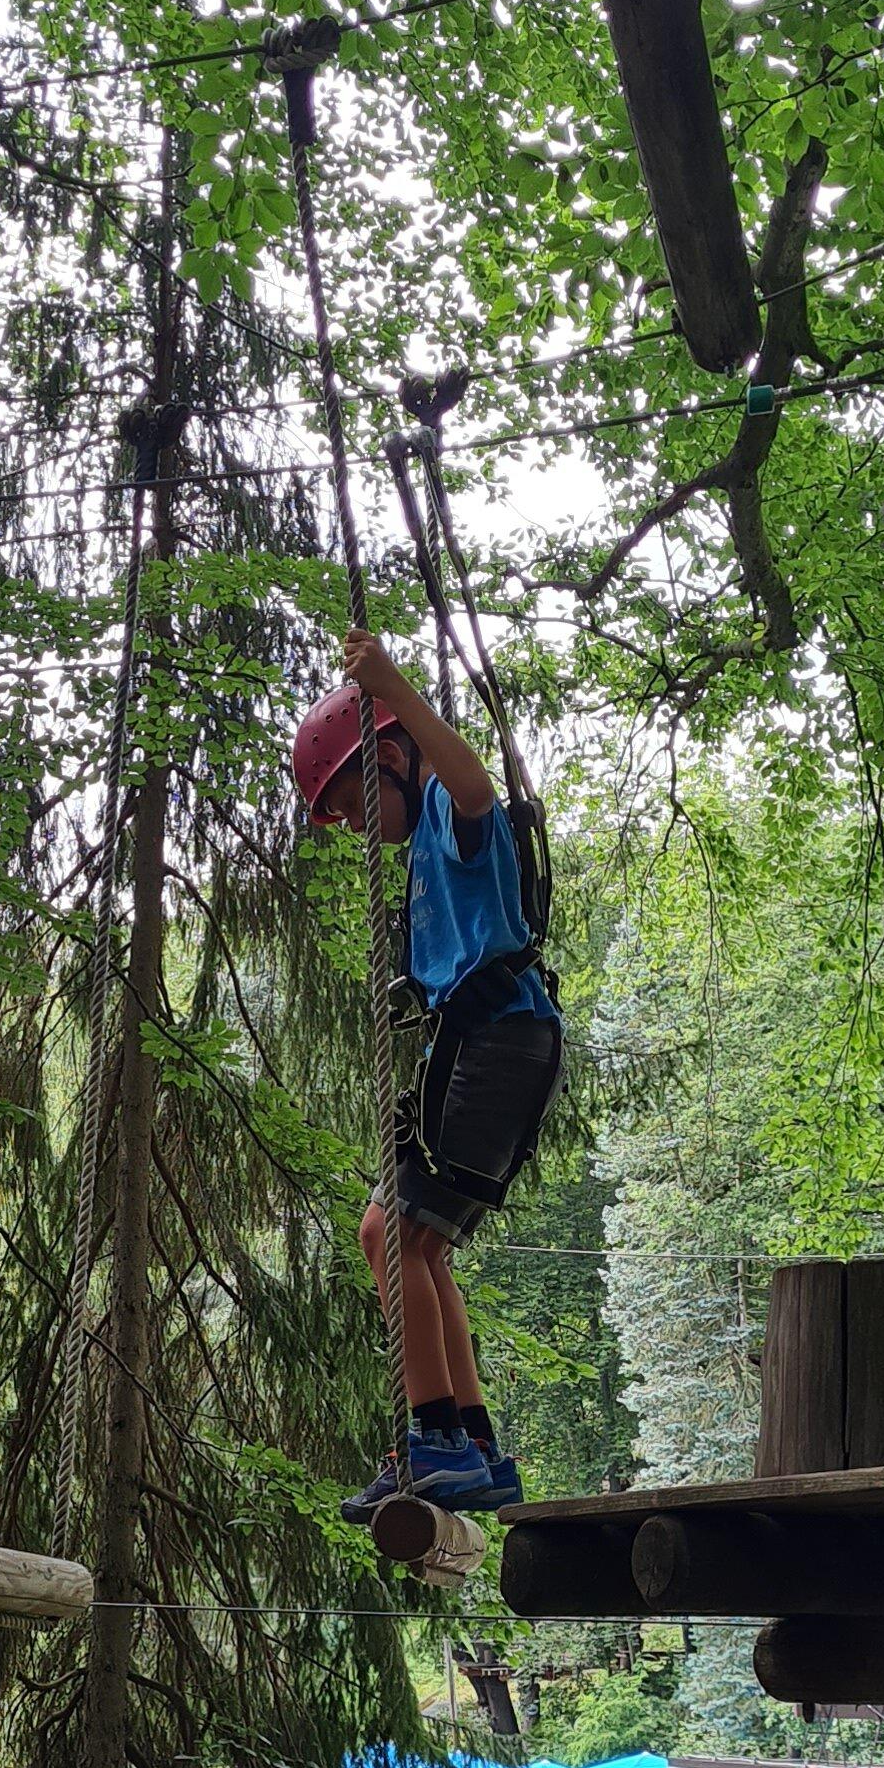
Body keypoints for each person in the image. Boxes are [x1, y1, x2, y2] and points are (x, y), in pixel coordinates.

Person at [293, 627, 562, 1516]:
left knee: (390, 1233)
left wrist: (394, 686)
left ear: (395, 757)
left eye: (363, 798)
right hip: (489, 1044)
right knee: (417, 1242)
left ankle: (434, 1442)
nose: (365, 824)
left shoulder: (451, 810)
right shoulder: (421, 852)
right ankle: (472, 1445)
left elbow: (476, 782)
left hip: (496, 1040)